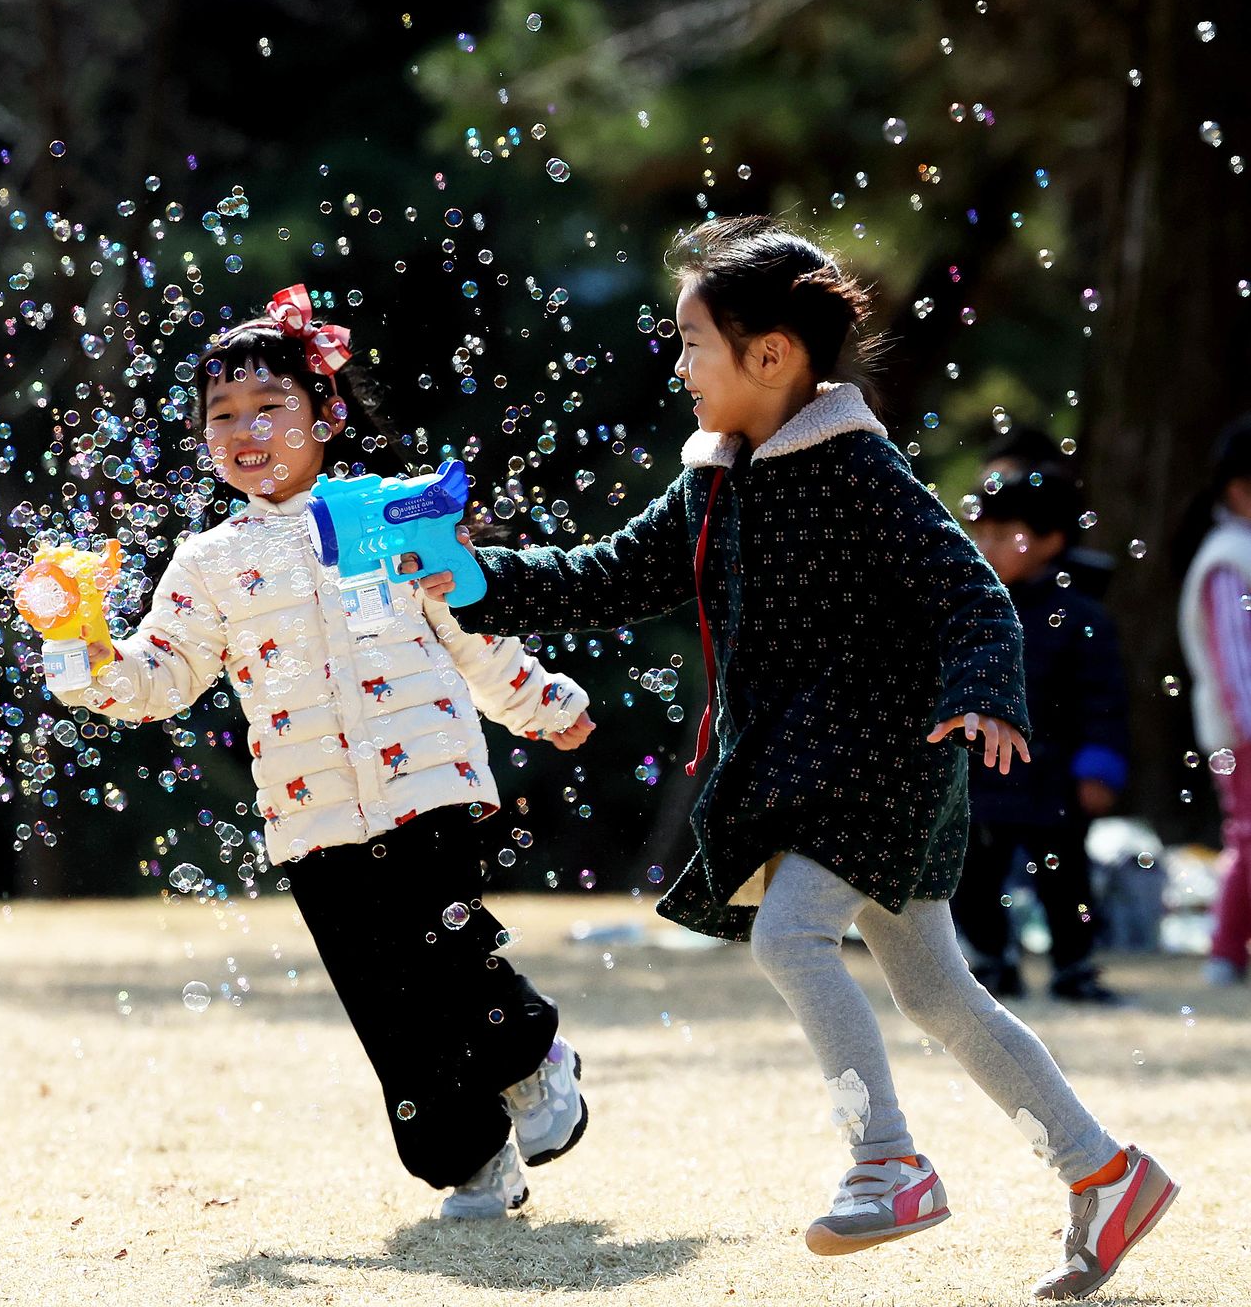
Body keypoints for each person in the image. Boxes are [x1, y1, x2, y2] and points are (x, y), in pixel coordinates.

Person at [420, 218, 1175, 1300]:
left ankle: (888, 1163)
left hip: (884, 759)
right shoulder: (712, 481)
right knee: (942, 995)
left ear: (770, 356)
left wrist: (981, 697)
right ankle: (1102, 1173)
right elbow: (604, 574)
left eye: (691, 343)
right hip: (799, 768)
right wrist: (473, 573)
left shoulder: (858, 467)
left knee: (790, 933)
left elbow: (969, 593)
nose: (676, 366)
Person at [31, 286, 595, 1220]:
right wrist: (84, 654)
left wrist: (541, 703)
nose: (245, 431)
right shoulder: (206, 562)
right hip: (312, 817)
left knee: (444, 946)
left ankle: (530, 1056)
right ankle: (468, 1160)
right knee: (386, 1003)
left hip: (430, 783)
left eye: (270, 407)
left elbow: (472, 629)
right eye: (222, 416)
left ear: (326, 414)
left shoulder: (391, 512)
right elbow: (161, 673)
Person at [956, 454, 1130, 1002]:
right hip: (981, 776)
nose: (988, 545)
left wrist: (1098, 766)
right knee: (974, 876)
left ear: (1053, 540)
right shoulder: (968, 608)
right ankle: (988, 961)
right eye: (979, 532)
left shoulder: (1082, 616)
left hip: (1053, 777)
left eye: (1008, 534)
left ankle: (1074, 966)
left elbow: (1102, 700)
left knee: (1065, 879)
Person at [1173, 418, 1251, 986]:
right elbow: (1236, 661)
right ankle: (1226, 952)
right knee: (1247, 838)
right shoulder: (1229, 555)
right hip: (1241, 731)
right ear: (1237, 488)